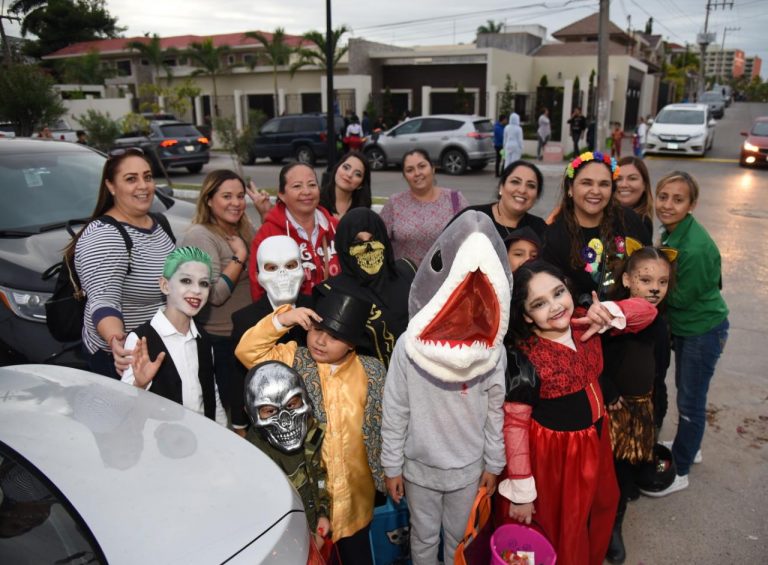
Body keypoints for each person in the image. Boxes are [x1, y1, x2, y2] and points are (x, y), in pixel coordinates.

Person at [499, 260, 657, 565]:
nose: (556, 306)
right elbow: (515, 425)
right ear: (526, 316)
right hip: (557, 455)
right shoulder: (525, 358)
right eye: (540, 303)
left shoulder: (587, 322)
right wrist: (522, 489)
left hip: (596, 442)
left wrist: (611, 313)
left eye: (559, 293)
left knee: (601, 505)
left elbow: (648, 312)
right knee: (564, 521)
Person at [381, 211, 509, 565]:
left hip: (469, 469)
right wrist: (392, 465)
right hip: (419, 469)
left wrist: (494, 462)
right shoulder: (408, 346)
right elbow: (395, 408)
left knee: (460, 540)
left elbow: (496, 410)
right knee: (422, 539)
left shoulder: (492, 353)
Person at [235, 289, 386, 564]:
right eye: (317, 329)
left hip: (356, 502)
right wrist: (284, 319)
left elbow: (384, 427)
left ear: (352, 344)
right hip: (309, 503)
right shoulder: (291, 360)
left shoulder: (372, 371)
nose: (321, 340)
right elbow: (246, 351)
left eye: (335, 336)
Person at [642, 171, 729, 497]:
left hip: (702, 331)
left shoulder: (693, 248)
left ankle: (681, 467)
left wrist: (645, 291)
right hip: (690, 328)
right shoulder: (675, 232)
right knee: (686, 391)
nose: (667, 205)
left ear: (692, 204)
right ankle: (691, 446)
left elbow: (677, 298)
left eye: (678, 200)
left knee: (690, 401)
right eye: (663, 196)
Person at [71, 148, 176, 378]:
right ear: (111, 186)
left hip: (157, 347)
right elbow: (103, 299)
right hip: (121, 358)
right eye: (131, 179)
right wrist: (116, 339)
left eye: (147, 177)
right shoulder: (104, 236)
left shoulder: (158, 223)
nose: (143, 186)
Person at [602, 243, 675, 563]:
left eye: (662, 282)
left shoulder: (660, 324)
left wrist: (658, 407)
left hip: (641, 411)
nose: (655, 289)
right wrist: (607, 390)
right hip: (611, 411)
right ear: (628, 280)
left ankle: (615, 524)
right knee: (608, 473)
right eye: (646, 280)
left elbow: (660, 371)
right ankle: (603, 524)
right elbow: (594, 363)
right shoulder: (610, 317)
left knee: (627, 474)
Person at [181, 169, 270, 415]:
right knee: (236, 414)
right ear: (209, 200)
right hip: (223, 341)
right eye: (227, 196)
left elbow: (268, 262)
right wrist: (239, 257)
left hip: (251, 334)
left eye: (240, 196)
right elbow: (215, 294)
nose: (236, 203)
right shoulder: (200, 236)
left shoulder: (243, 227)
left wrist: (265, 215)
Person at [120, 246, 228, 426]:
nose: (196, 290)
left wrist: (225, 435)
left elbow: (212, 393)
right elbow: (126, 407)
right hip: (161, 442)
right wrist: (140, 385)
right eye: (186, 280)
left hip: (205, 437)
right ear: (165, 285)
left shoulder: (204, 339)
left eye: (204, 283)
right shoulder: (141, 339)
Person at [542, 150, 651, 303]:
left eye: (604, 184)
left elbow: (652, 271)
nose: (595, 191)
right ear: (570, 188)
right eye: (586, 183)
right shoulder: (554, 237)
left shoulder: (629, 220)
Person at [244, 361, 330, 548]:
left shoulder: (313, 430)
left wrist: (323, 512)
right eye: (270, 411)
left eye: (291, 404)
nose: (285, 421)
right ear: (252, 414)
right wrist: (302, 541)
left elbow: (321, 476)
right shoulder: (254, 459)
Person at [316, 208, 416, 368]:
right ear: (344, 247)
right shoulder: (332, 292)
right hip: (372, 385)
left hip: (423, 374)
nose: (368, 247)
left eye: (374, 238)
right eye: (357, 242)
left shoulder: (407, 271)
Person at [230, 235, 310, 433]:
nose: (282, 274)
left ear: (303, 270)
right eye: (272, 268)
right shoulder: (244, 320)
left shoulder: (318, 307)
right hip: (269, 424)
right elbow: (241, 378)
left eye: (291, 265)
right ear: (258, 277)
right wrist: (240, 426)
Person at [248, 162, 340, 302]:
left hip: (335, 317)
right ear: (282, 195)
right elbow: (258, 290)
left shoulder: (336, 227)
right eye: (297, 186)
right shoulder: (268, 235)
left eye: (312, 184)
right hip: (289, 319)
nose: (306, 191)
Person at [379, 148, 468, 266]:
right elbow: (378, 242)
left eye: (422, 166)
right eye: (410, 170)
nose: (417, 173)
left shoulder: (455, 199)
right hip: (405, 280)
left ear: (433, 168)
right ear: (405, 176)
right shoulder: (394, 203)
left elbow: (472, 239)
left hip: (449, 280)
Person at [459, 160, 547, 243]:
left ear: (537, 195)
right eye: (515, 182)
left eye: (531, 186)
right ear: (501, 187)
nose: (522, 190)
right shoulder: (473, 218)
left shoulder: (539, 229)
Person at [319, 151, 372, 219]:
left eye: (357, 174)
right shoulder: (316, 201)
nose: (349, 174)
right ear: (337, 168)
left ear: (361, 184)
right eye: (346, 168)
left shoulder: (363, 212)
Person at [615, 156, 654, 238]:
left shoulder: (642, 223)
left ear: (644, 185)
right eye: (618, 179)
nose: (624, 185)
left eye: (632, 178)